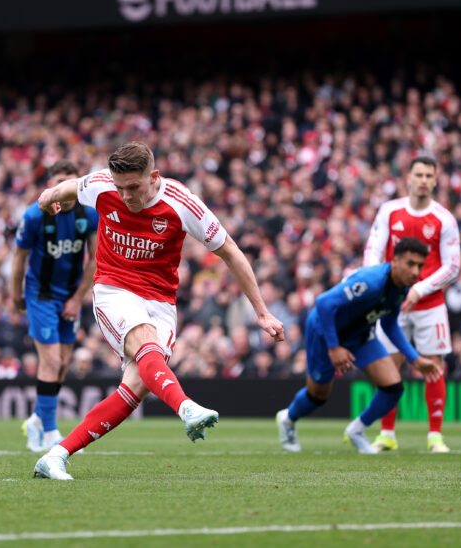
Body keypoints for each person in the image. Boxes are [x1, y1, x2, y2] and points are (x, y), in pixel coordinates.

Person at [32, 141, 285, 480]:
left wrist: (262, 312)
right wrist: (48, 199)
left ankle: (56, 455)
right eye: (120, 188)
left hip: (161, 303)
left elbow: (231, 252)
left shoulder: (181, 204)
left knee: (136, 386)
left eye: (133, 187)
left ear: (154, 177)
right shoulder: (102, 185)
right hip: (113, 289)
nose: (125, 196)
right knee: (146, 342)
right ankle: (186, 407)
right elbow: (67, 187)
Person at [276, 238, 442, 453]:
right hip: (324, 331)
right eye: (410, 264)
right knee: (317, 396)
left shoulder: (401, 288)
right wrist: (334, 347)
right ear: (395, 261)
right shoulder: (371, 281)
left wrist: (414, 358)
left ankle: (356, 430)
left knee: (393, 388)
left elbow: (390, 324)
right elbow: (324, 303)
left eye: (420, 265)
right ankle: (288, 419)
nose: (415, 271)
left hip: (359, 334)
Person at [362, 155, 460, 453]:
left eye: (429, 176)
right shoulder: (390, 211)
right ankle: (387, 433)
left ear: (435, 180)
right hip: (392, 303)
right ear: (408, 177)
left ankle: (435, 436)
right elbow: (373, 250)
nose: (423, 181)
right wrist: (373, 284)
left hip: (430, 304)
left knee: (434, 367)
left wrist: (419, 289)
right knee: (388, 368)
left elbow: (452, 266)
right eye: (419, 175)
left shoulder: (444, 218)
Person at [11, 160, 99, 452]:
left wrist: (77, 298)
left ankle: (38, 418)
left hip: (69, 296)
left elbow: (97, 259)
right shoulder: (35, 215)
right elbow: (18, 257)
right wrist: (15, 295)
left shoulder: (89, 214)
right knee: (50, 362)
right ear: (51, 186)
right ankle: (50, 431)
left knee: (62, 364)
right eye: (59, 181)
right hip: (41, 294)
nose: (64, 187)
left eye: (70, 181)